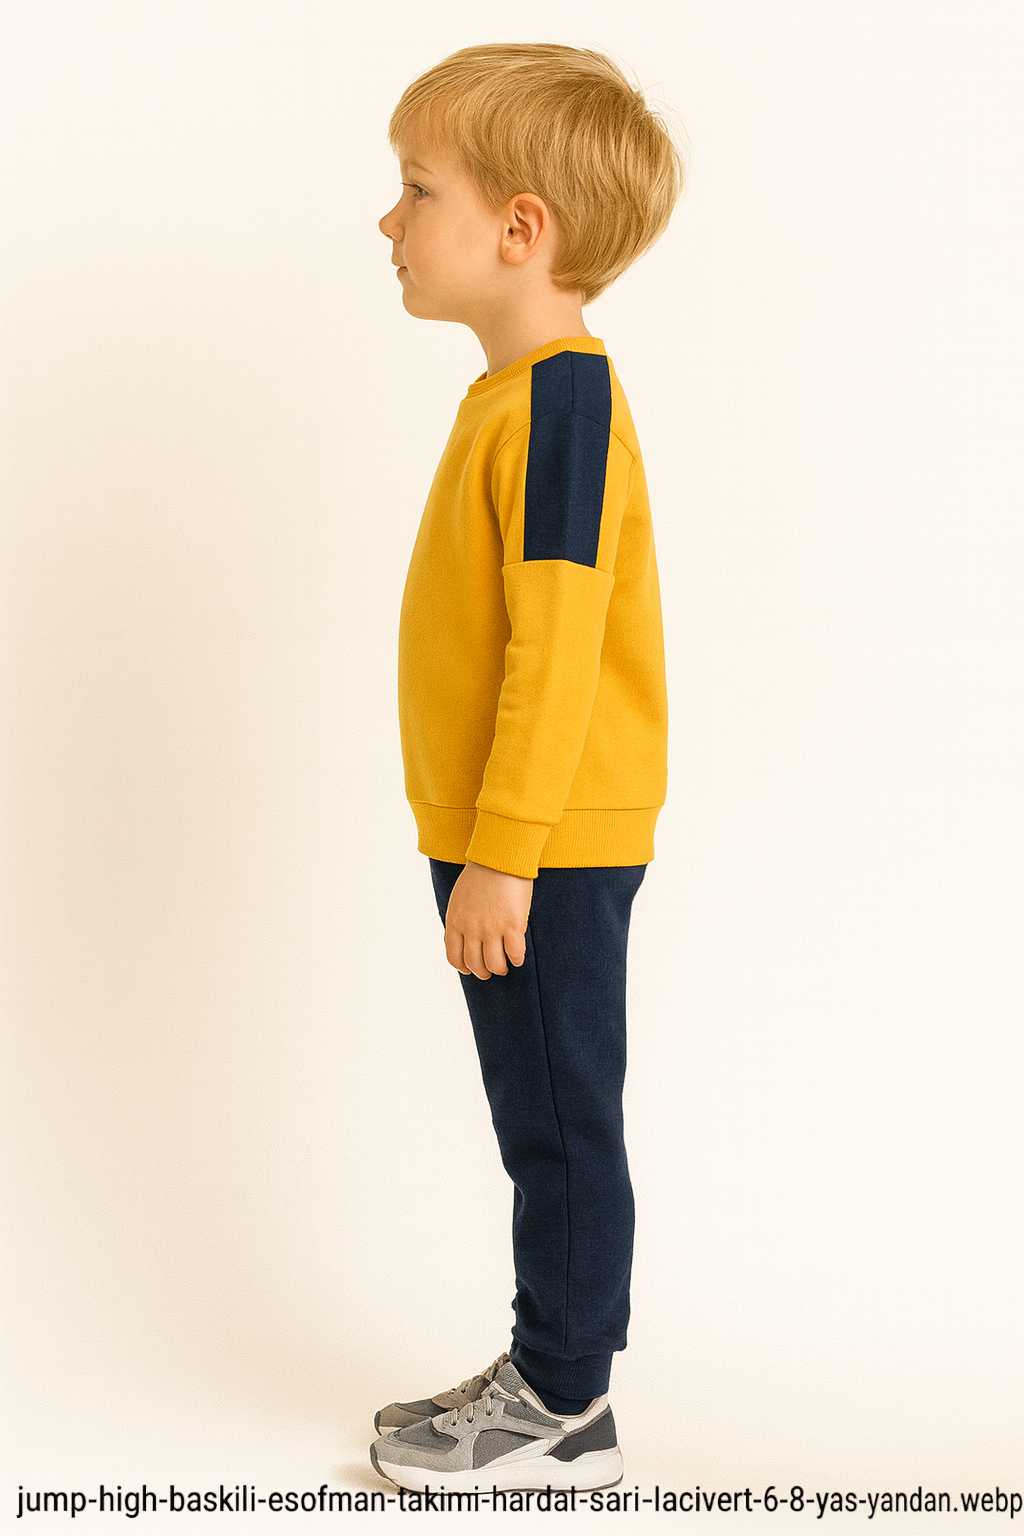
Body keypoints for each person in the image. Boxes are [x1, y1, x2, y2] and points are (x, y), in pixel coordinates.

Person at [370, 43, 685, 1495]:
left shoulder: (561, 406)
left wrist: (504, 853)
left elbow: (555, 653)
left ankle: (564, 1402)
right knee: (537, 1116)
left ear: (519, 228)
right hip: (510, 832)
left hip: (540, 840)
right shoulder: (515, 401)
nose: (388, 220)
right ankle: (550, 1371)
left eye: (415, 190)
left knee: (558, 1125)